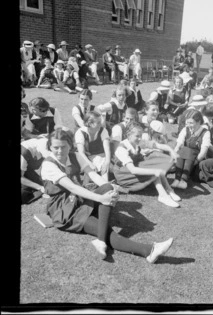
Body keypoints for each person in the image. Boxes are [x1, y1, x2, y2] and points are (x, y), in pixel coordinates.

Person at [41, 128, 174, 262]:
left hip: (78, 199)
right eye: (55, 147)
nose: (59, 151)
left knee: (107, 187)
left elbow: (93, 176)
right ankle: (149, 250)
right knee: (104, 229)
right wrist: (100, 198)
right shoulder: (48, 164)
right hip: (64, 210)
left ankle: (100, 241)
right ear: (50, 147)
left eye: (63, 147)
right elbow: (72, 187)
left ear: (70, 145)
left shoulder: (75, 156)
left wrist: (111, 190)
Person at [113, 121, 180, 208]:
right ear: (128, 135)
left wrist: (172, 151)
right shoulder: (122, 148)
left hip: (134, 168)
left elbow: (159, 146)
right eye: (137, 136)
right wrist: (154, 171)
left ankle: (168, 189)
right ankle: (163, 195)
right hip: (124, 175)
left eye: (140, 136)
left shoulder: (138, 142)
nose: (140, 138)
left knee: (155, 164)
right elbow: (133, 169)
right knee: (153, 171)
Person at [172, 110, 211, 190]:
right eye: (187, 123)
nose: (188, 125)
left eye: (191, 123)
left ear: (199, 122)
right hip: (183, 157)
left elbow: (203, 152)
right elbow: (179, 144)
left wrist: (196, 161)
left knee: (188, 151)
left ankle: (183, 180)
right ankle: (177, 178)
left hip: (197, 158)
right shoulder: (185, 129)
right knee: (182, 150)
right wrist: (174, 154)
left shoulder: (205, 132)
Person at [75, 111, 111, 182]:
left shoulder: (103, 131)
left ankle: (105, 184)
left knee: (102, 162)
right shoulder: (80, 132)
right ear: (90, 123)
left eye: (100, 122)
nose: (100, 124)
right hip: (85, 157)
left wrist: (107, 162)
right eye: (98, 123)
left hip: (99, 156)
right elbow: (81, 152)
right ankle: (89, 184)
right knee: (88, 169)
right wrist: (90, 164)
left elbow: (107, 150)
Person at [21, 137, 51, 204]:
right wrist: (39, 187)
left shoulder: (44, 140)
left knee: (45, 184)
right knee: (24, 194)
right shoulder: (23, 153)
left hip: (26, 169)